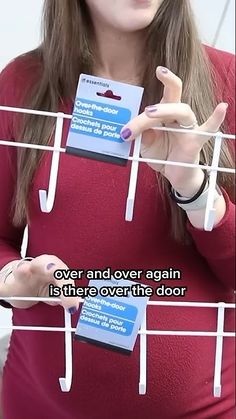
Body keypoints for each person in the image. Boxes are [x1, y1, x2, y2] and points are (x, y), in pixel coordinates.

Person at [0, 0, 235, 418]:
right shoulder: (20, 84)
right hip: (37, 405)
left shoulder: (226, 84)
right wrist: (13, 283)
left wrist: (194, 188)